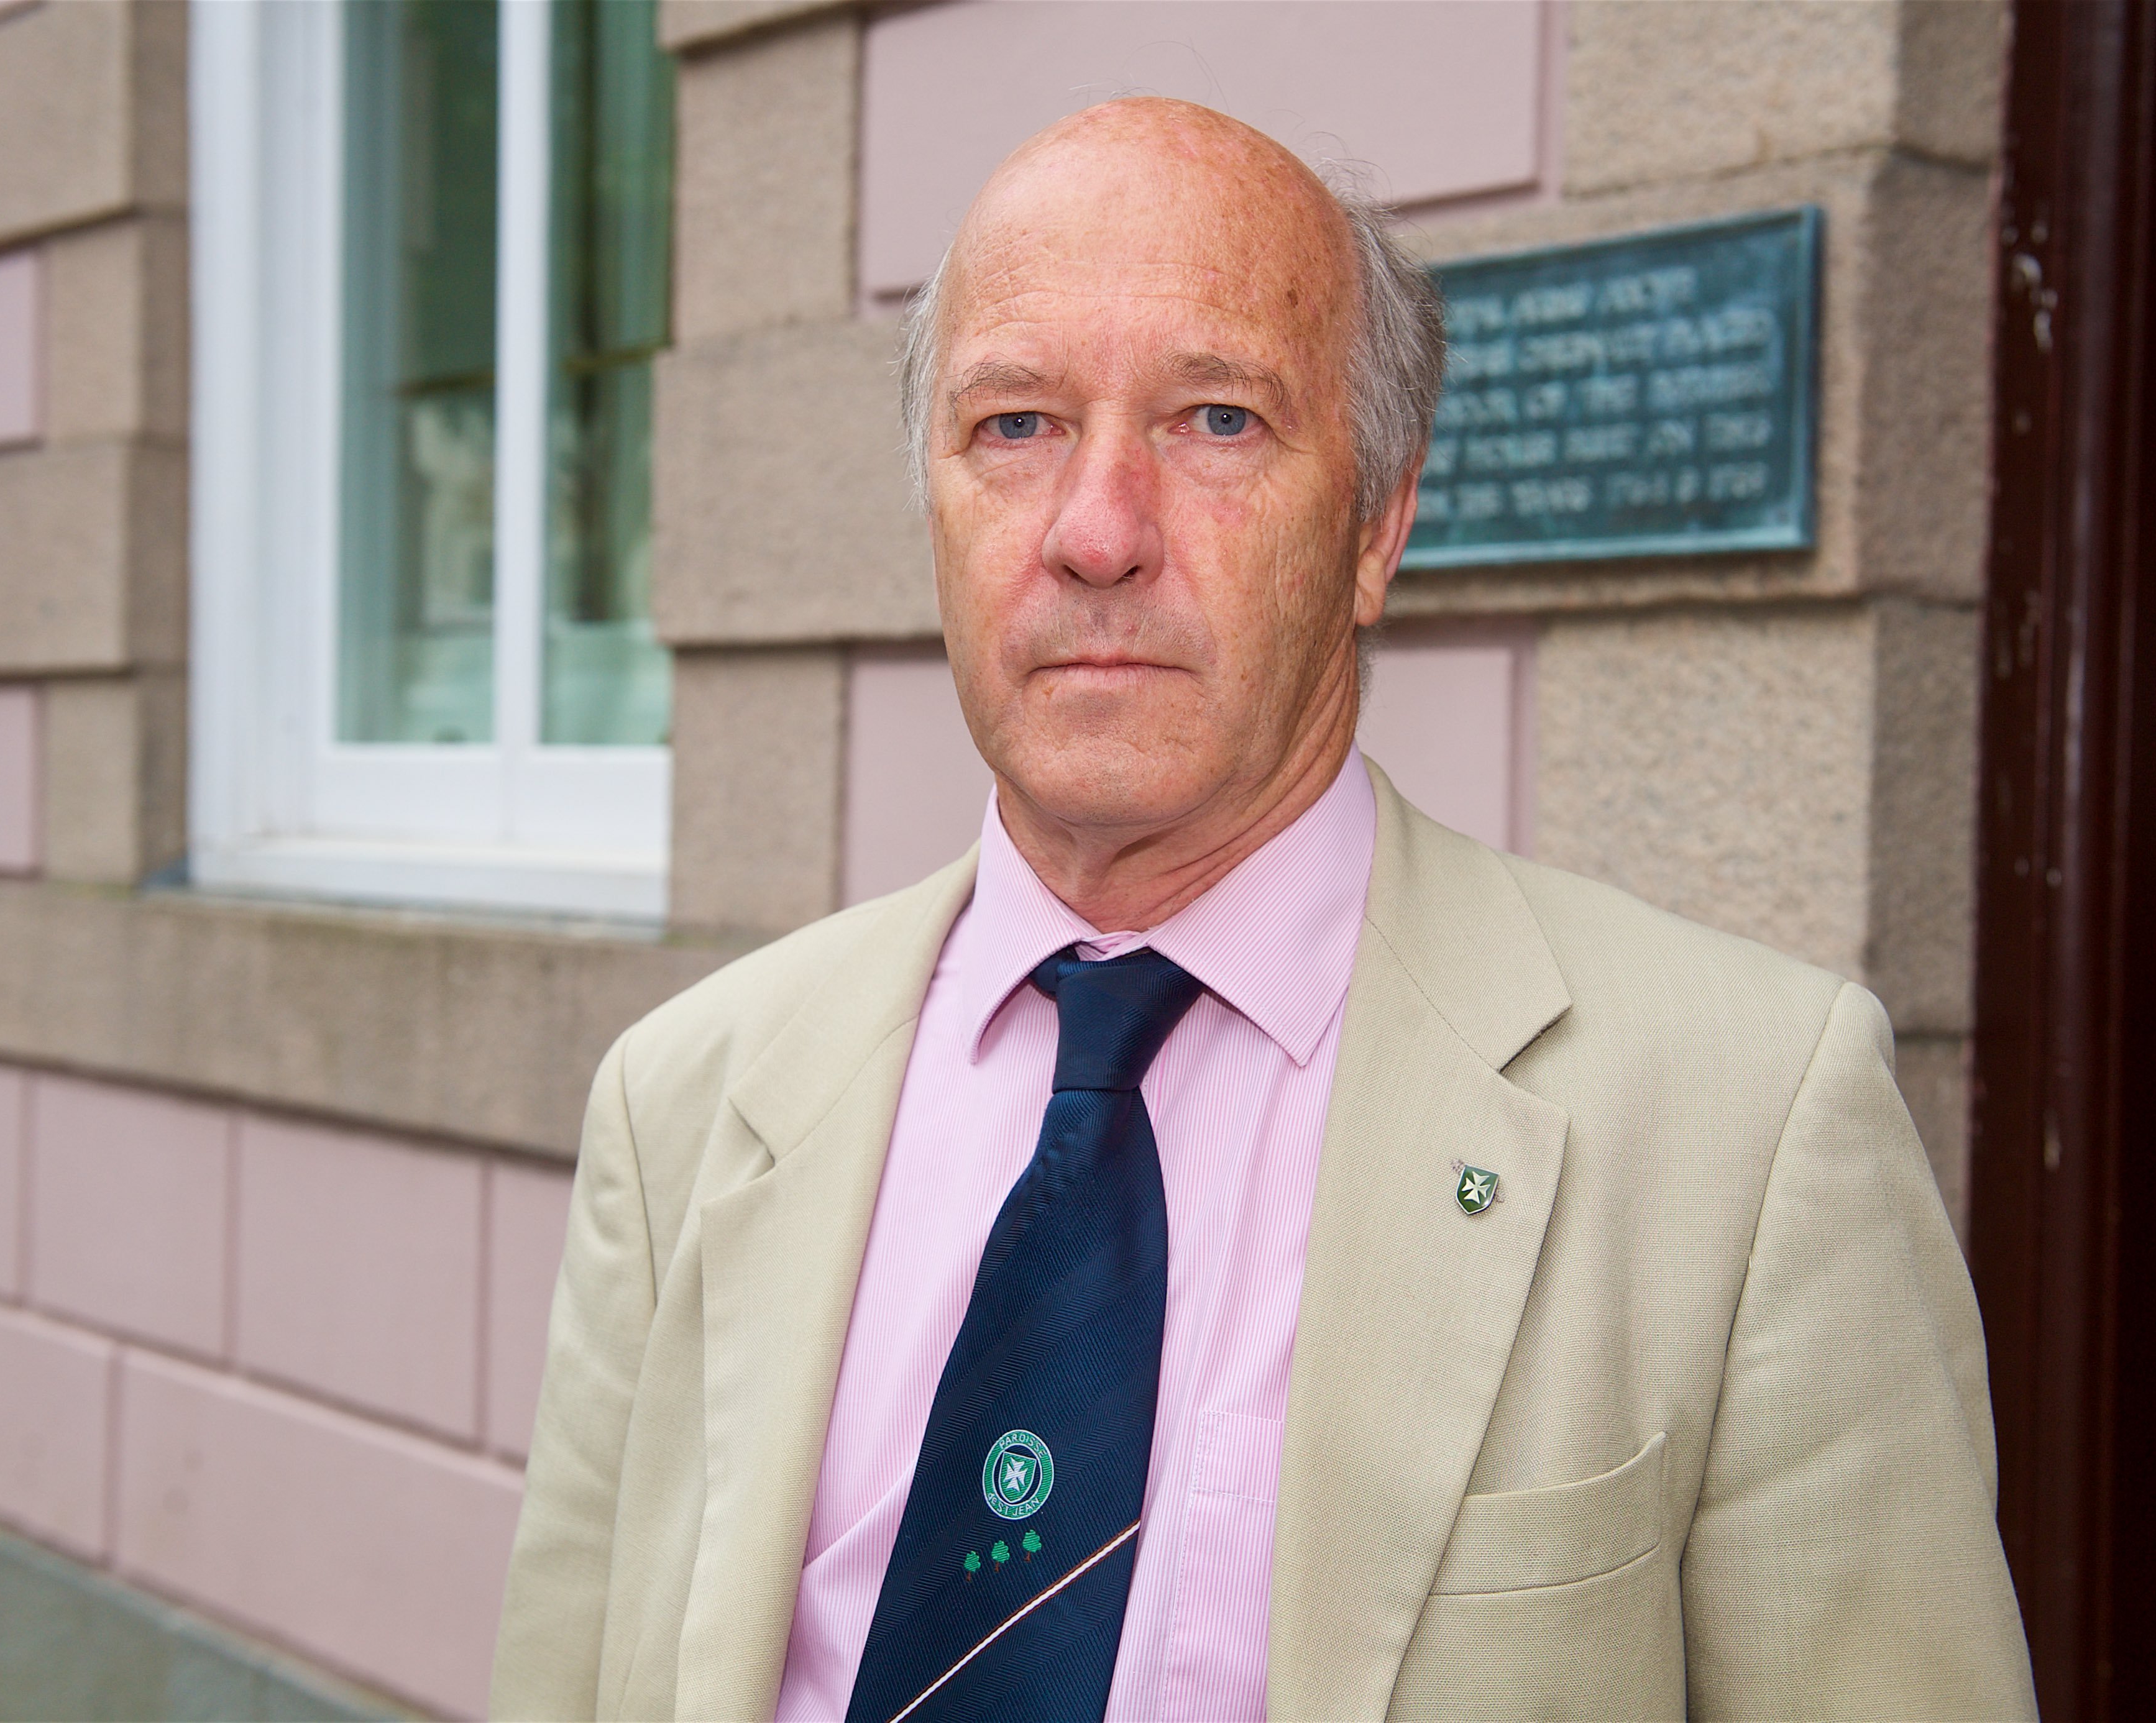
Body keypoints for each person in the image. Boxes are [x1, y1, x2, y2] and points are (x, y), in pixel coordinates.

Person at [490, 98, 2035, 1722]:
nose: (1098, 532)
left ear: (1378, 524)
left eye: (1217, 421)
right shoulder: (687, 1104)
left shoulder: (1749, 1128)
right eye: (1013, 426)